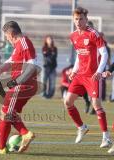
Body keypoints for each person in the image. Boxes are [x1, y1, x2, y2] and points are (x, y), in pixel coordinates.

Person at [64, 7, 112, 148]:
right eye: (76, 19)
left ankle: (106, 137)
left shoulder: (94, 34)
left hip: (92, 76)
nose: (78, 22)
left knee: (96, 104)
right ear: (74, 20)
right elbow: (80, 55)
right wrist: (74, 70)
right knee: (67, 102)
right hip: (80, 75)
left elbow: (104, 54)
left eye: (81, 19)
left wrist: (99, 71)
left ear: (86, 19)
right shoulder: (73, 36)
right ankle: (81, 127)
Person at [0, 21, 40, 154]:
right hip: (23, 86)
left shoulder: (24, 43)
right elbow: (9, 63)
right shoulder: (18, 46)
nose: (7, 39)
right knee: (7, 114)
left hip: (23, 85)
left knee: (6, 114)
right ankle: (7, 144)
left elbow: (32, 66)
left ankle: (10, 142)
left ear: (11, 34)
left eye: (6, 36)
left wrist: (17, 82)